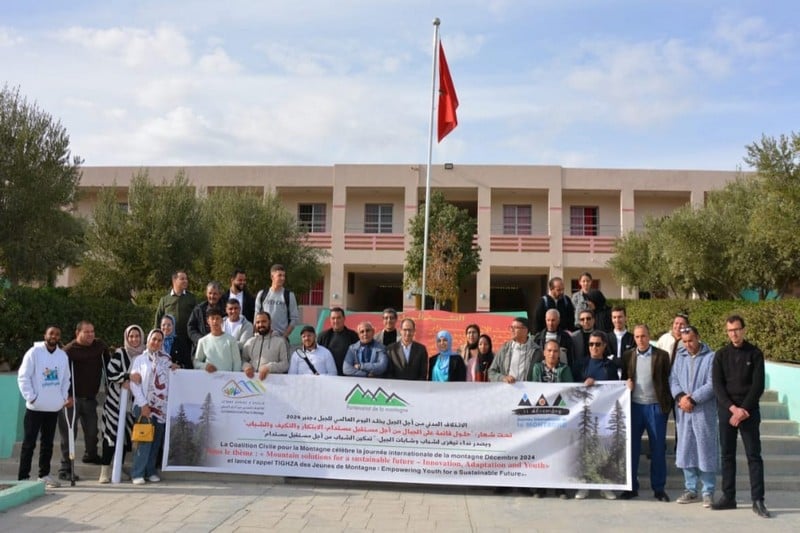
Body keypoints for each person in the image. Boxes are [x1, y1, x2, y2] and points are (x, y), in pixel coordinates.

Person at [711, 315, 770, 518]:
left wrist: (743, 410)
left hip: (749, 412)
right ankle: (729, 497)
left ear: (743, 330)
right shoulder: (720, 355)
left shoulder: (755, 353)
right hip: (727, 411)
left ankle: (758, 500)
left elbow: (758, 385)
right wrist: (732, 409)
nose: (733, 334)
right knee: (727, 455)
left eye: (736, 329)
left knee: (754, 456)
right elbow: (717, 386)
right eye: (730, 330)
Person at [620, 324, 672, 502]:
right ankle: (631, 488)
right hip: (635, 407)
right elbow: (623, 379)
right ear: (634, 338)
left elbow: (668, 380)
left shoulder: (662, 356)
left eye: (643, 336)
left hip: (655, 407)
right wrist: (626, 384)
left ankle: (659, 489)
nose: (640, 339)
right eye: (637, 336)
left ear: (649, 336)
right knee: (632, 449)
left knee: (658, 449)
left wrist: (666, 405)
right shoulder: (628, 356)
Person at [17, 326, 72, 489]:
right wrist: (31, 397)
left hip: (53, 408)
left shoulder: (62, 356)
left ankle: (44, 475)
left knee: (47, 443)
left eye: (57, 334)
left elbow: (66, 379)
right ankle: (23, 477)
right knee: (29, 443)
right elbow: (23, 376)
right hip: (35, 408)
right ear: (45, 335)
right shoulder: (33, 353)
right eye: (51, 333)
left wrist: (62, 398)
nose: (54, 336)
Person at [670, 326, 717, 508]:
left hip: (703, 411)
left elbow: (713, 383)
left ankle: (708, 491)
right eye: (685, 341)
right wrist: (681, 397)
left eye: (691, 340)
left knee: (706, 449)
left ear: (698, 337)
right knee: (686, 448)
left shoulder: (711, 357)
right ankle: (690, 489)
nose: (688, 344)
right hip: (684, 411)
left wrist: (694, 399)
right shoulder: (679, 357)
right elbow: (673, 380)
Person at [58, 320, 108, 481]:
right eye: (86, 332)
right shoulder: (68, 351)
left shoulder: (99, 346)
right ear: (77, 333)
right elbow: (60, 376)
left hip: (90, 398)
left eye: (92, 331)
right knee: (69, 434)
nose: (90, 335)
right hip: (72, 398)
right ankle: (65, 468)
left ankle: (90, 455)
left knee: (92, 432)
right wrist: (66, 395)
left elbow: (108, 364)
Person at [575, 331, 618, 501]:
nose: (594, 347)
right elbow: (571, 388)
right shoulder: (580, 364)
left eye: (598, 344)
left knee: (604, 451)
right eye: (591, 344)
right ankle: (584, 486)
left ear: (604, 346)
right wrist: (583, 384)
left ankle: (604, 486)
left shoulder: (610, 366)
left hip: (604, 416)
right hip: (584, 415)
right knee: (585, 450)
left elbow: (617, 388)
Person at [98, 325, 143, 483]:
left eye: (137, 336)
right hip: (115, 402)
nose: (134, 339)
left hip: (133, 403)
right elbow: (111, 373)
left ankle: (118, 468)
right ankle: (104, 471)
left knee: (125, 437)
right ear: (126, 337)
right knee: (111, 434)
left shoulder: (144, 355)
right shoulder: (120, 353)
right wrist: (126, 377)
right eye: (131, 336)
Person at [530, 339, 574, 498]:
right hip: (541, 417)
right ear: (544, 352)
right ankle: (540, 487)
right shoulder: (537, 368)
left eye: (555, 351)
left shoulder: (565, 369)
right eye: (549, 351)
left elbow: (569, 390)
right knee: (542, 452)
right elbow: (535, 389)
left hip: (559, 417)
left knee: (559, 454)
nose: (552, 354)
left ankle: (559, 488)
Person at [129, 329, 173, 485]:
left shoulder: (165, 360)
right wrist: (143, 404)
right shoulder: (139, 360)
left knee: (156, 441)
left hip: (160, 408)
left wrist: (174, 368)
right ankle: (137, 473)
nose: (156, 342)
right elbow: (134, 383)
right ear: (148, 340)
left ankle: (150, 471)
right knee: (144, 440)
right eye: (154, 339)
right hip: (144, 406)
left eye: (159, 340)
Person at [488, 317, 541, 384]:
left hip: (529, 390)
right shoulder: (505, 349)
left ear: (525, 330)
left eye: (515, 328)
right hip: (507, 389)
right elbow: (491, 372)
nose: (512, 330)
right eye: (511, 327)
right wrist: (503, 378)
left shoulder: (537, 351)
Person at [254, 264, 299, 340]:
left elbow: (294, 319)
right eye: (279, 275)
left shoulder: (289, 295)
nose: (282, 278)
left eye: (284, 276)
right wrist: (256, 334)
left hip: (280, 338)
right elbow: (256, 316)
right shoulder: (262, 294)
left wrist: (284, 337)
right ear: (272, 277)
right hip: (263, 338)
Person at [242, 311, 289, 380]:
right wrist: (246, 366)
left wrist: (269, 367)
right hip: (252, 382)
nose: (260, 324)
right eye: (258, 322)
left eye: (264, 321)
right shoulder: (250, 342)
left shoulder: (280, 342)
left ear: (270, 322)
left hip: (273, 383)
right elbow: (243, 359)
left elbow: (285, 364)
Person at [194, 307, 242, 372]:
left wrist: (234, 376)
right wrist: (205, 366)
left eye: (217, 318)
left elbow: (237, 362)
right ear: (208, 321)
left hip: (227, 377)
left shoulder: (231, 340)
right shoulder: (203, 341)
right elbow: (196, 362)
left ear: (221, 320)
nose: (215, 321)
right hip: (209, 377)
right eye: (212, 318)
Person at [154, 270, 197, 341]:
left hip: (187, 338)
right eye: (182, 279)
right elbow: (158, 318)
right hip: (169, 339)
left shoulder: (191, 298)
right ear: (174, 280)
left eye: (186, 279)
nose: (185, 281)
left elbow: (197, 317)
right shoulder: (165, 300)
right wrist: (156, 335)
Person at [317, 307, 359, 376]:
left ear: (344, 318)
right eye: (333, 318)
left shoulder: (353, 336)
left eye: (338, 318)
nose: (336, 321)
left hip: (348, 377)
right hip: (328, 377)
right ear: (330, 320)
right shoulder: (323, 336)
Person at [532, 309, 575, 374]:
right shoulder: (538, 338)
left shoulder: (566, 337)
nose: (550, 323)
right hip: (542, 373)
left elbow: (571, 358)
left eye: (553, 320)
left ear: (558, 320)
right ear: (545, 320)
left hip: (561, 372)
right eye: (548, 320)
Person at [187, 281, 224, 351]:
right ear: (206, 294)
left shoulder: (225, 310)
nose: (212, 296)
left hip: (220, 346)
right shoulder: (199, 309)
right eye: (210, 293)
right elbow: (191, 328)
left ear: (220, 295)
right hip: (201, 347)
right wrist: (201, 340)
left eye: (215, 294)